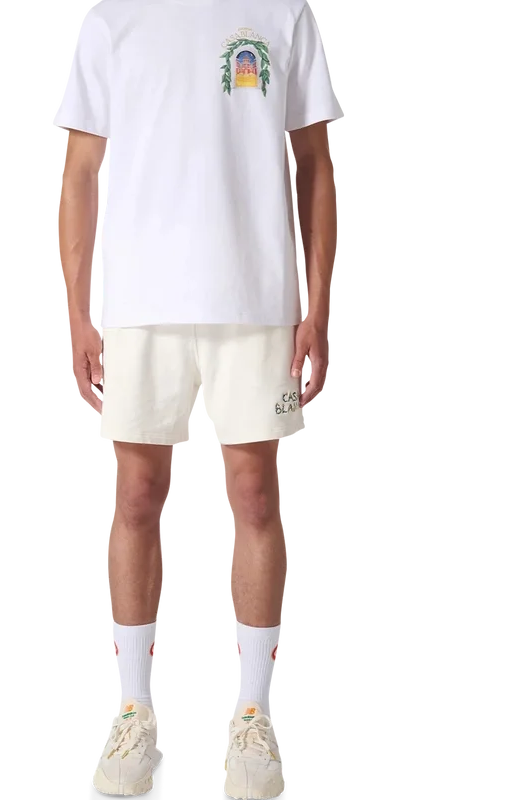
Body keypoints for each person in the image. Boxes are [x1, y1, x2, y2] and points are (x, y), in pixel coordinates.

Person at [55, 0, 338, 796]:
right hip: (140, 298)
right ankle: (132, 712)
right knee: (137, 495)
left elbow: (314, 160)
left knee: (255, 494)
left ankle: (253, 717)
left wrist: (317, 306)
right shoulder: (109, 14)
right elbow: (79, 166)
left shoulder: (286, 11)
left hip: (257, 294)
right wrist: (79, 313)